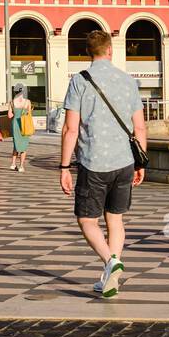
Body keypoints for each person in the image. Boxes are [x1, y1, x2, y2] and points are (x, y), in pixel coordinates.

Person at [59, 29, 147, 299]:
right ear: (110, 50)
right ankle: (111, 277)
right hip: (124, 161)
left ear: (89, 52)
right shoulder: (128, 81)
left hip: (93, 162)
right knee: (115, 219)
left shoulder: (79, 81)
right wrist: (141, 162)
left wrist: (64, 167)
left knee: (86, 219)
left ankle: (111, 262)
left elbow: (70, 129)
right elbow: (140, 127)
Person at [6, 82, 34, 172]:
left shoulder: (12, 102)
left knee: (16, 144)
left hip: (15, 124)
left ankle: (13, 164)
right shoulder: (27, 102)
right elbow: (29, 114)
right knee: (24, 145)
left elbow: (9, 115)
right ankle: (21, 166)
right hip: (24, 124)